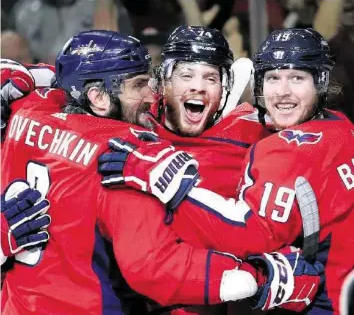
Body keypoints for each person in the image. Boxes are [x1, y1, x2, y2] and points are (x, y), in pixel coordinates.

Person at [0, 30, 320, 315]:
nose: (149, 94)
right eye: (140, 84)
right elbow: (153, 267)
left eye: (210, 77)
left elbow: (58, 83)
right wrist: (261, 278)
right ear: (98, 98)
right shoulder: (126, 150)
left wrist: (31, 73)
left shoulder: (28, 110)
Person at [99, 28, 354, 314]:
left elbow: (253, 233)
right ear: (163, 82)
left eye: (210, 77)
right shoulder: (128, 116)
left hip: (216, 291)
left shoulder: (267, 138)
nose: (283, 91)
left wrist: (166, 180)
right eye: (186, 75)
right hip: (127, 284)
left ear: (225, 88)